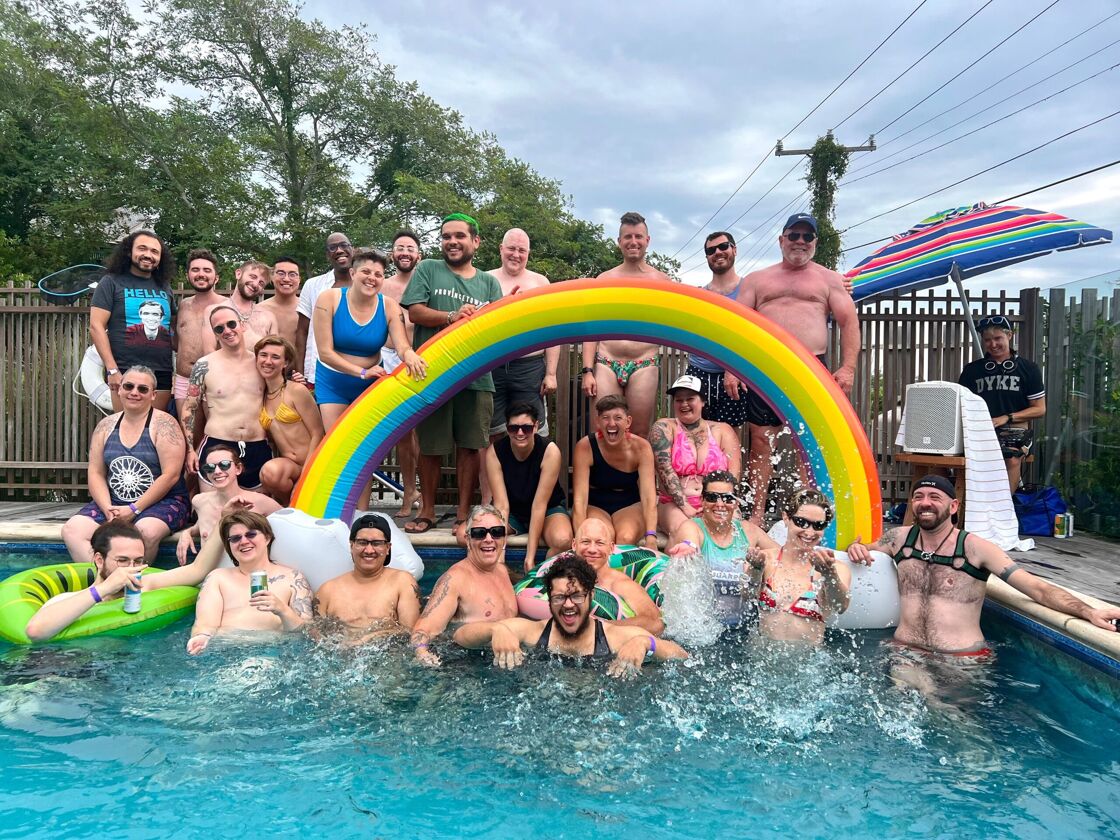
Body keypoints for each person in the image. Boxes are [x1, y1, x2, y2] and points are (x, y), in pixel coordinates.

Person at [847, 475, 1120, 656]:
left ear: (953, 506)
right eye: (918, 496)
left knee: (956, 726)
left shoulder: (977, 549)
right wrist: (854, 548)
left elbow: (1037, 589)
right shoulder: (897, 539)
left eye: (934, 497)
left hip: (961, 660)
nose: (925, 503)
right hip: (905, 652)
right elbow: (861, 549)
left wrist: (1088, 611)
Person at [730, 213, 860, 526]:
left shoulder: (828, 279)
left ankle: (805, 514)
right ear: (782, 240)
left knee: (810, 441)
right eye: (794, 236)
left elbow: (849, 322)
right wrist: (732, 369)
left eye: (807, 237)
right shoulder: (757, 280)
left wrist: (848, 368)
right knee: (760, 439)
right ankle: (757, 514)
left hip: (811, 366)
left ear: (815, 242)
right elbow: (735, 324)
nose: (800, 242)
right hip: (766, 367)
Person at [400, 213, 502, 536]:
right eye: (446, 237)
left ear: (475, 241)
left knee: (471, 447)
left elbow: (500, 327)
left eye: (459, 236)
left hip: (476, 377)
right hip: (433, 374)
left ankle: (462, 515)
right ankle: (427, 510)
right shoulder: (428, 269)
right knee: (430, 446)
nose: (452, 242)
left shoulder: (489, 283)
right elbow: (414, 310)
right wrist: (451, 316)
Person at [454, 554, 687, 677]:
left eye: (576, 596)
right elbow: (461, 636)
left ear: (591, 596)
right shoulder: (534, 632)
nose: (568, 605)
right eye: (559, 598)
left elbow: (681, 655)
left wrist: (647, 642)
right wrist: (495, 629)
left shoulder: (614, 636)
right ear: (549, 597)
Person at [61, 366, 190, 563]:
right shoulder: (105, 426)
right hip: (114, 503)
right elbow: (95, 473)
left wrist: (134, 509)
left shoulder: (165, 425)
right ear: (119, 389)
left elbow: (170, 475)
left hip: (163, 502)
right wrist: (107, 509)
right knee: (72, 530)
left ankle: (136, 587)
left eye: (143, 389)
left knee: (144, 532)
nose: (134, 393)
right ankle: (105, 582)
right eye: (129, 386)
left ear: (153, 395)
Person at [26, 518, 227, 642]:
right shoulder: (70, 600)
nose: (131, 569)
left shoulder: (145, 585)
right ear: (98, 559)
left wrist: (224, 520)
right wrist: (105, 589)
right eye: (122, 561)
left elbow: (198, 570)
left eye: (138, 561)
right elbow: (35, 632)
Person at [581, 211, 674, 439]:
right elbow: (592, 327)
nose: (633, 242)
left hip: (644, 362)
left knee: (639, 432)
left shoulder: (662, 282)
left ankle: (635, 476)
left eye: (639, 237)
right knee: (602, 430)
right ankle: (601, 476)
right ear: (619, 242)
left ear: (647, 240)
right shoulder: (604, 280)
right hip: (606, 362)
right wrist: (587, 371)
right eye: (628, 237)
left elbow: (676, 323)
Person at [312, 247, 425, 430]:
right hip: (333, 381)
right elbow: (325, 353)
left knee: (366, 448)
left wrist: (410, 354)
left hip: (371, 383)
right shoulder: (328, 299)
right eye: (365, 271)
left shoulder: (390, 306)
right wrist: (362, 373)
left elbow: (402, 346)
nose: (371, 278)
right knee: (337, 440)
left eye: (378, 274)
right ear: (352, 273)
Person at [186, 510, 313, 654]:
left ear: (267, 538)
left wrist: (282, 610)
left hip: (273, 652)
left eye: (251, 534)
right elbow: (205, 625)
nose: (244, 541)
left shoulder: (293, 578)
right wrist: (201, 638)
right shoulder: (218, 578)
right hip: (226, 652)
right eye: (235, 538)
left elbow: (307, 634)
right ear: (229, 547)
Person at [409, 505, 518, 665]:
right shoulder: (455, 579)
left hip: (504, 660)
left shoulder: (503, 571)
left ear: (504, 538)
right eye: (479, 533)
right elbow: (422, 630)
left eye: (496, 532)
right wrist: (422, 653)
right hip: (468, 666)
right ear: (467, 540)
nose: (489, 539)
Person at [667, 470, 779, 623]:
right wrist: (688, 547)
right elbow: (690, 541)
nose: (720, 504)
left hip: (744, 628)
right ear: (702, 500)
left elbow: (783, 556)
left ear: (736, 502)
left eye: (727, 498)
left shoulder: (748, 531)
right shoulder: (692, 527)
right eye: (712, 498)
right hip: (705, 630)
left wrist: (761, 564)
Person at [180, 304, 270, 489]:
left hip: (257, 446)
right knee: (214, 511)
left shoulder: (262, 363)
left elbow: (280, 393)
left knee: (255, 515)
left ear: (242, 325)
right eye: (219, 328)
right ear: (215, 333)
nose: (227, 331)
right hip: (217, 445)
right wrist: (190, 450)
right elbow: (189, 408)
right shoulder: (205, 365)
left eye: (231, 324)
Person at [745, 487, 850, 644]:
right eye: (802, 522)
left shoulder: (835, 568)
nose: (809, 532)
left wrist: (830, 574)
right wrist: (756, 570)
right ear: (786, 518)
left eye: (818, 525)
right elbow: (746, 595)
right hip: (760, 659)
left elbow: (841, 606)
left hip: (808, 663)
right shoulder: (764, 559)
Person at [89, 230, 177, 411]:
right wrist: (112, 370)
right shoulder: (111, 282)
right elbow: (96, 326)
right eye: (142, 249)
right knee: (126, 430)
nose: (148, 255)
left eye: (154, 252)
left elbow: (173, 328)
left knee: (154, 430)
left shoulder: (165, 287)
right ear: (129, 252)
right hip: (124, 370)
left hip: (162, 371)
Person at [958, 314, 1046, 493]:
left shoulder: (1029, 369)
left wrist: (1006, 418)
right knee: (944, 458)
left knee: (1011, 458)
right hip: (980, 432)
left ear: (1010, 336)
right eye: (987, 340)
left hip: (1015, 430)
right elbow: (959, 404)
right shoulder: (972, 371)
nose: (993, 344)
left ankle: (1006, 510)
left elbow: (1039, 409)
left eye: (998, 338)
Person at [487, 228, 559, 438]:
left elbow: (553, 330)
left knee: (532, 430)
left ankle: (531, 472)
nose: (516, 255)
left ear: (528, 253)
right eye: (511, 248)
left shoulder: (540, 283)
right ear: (501, 249)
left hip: (530, 368)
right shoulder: (486, 279)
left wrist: (551, 374)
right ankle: (493, 473)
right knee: (492, 433)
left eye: (522, 250)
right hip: (492, 367)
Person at [651, 374, 743, 535]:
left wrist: (718, 504)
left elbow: (733, 476)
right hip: (675, 504)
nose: (684, 404)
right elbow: (664, 470)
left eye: (690, 398)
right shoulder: (664, 427)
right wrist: (685, 507)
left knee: (733, 532)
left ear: (702, 401)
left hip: (716, 501)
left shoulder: (722, 430)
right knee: (687, 533)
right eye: (679, 400)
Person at [485, 401, 571, 570]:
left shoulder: (549, 451)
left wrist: (529, 559)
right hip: (512, 513)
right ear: (507, 428)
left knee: (563, 540)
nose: (520, 433)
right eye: (513, 428)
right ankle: (489, 578)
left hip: (548, 510)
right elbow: (501, 505)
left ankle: (542, 578)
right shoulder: (495, 452)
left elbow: (539, 505)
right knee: (466, 534)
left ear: (536, 426)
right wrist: (501, 555)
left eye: (526, 428)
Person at [542, 518, 664, 634]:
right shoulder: (561, 577)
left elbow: (656, 623)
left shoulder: (621, 584)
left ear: (611, 548)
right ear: (574, 545)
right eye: (586, 542)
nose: (592, 549)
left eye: (599, 543)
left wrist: (600, 627)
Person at [682, 231, 751, 427]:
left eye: (723, 247)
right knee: (694, 433)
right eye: (711, 250)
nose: (718, 252)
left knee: (728, 435)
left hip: (734, 374)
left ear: (734, 249)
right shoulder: (699, 296)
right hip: (699, 371)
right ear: (707, 257)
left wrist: (736, 369)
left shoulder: (749, 290)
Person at [314, 513, 422, 636]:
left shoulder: (402, 582)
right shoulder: (327, 591)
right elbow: (316, 639)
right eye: (362, 542)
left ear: (387, 548)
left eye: (377, 543)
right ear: (352, 545)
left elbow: (410, 634)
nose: (369, 550)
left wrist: (374, 636)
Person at [572, 395, 657, 548]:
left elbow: (649, 497)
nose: (611, 423)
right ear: (597, 422)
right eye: (605, 418)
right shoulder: (585, 447)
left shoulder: (642, 447)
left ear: (628, 421)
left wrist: (651, 537)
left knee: (625, 537)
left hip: (629, 503)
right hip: (596, 503)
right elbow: (580, 499)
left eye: (618, 417)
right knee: (602, 538)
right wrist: (580, 539)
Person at [175, 444, 280, 565]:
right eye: (210, 467)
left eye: (224, 465)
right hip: (208, 575)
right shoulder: (200, 501)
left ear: (238, 469)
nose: (217, 471)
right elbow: (204, 526)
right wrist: (187, 533)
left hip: (245, 575)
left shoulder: (260, 502)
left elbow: (288, 526)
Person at [255, 336, 324, 504]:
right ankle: (290, 505)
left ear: (285, 363)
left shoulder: (296, 390)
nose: (268, 361)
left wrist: (307, 475)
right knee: (269, 472)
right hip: (289, 467)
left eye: (275, 357)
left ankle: (298, 502)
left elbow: (318, 433)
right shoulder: (259, 395)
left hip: (312, 463)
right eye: (263, 355)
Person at [383, 230, 422, 518]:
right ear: (392, 255)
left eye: (410, 247)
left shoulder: (426, 282)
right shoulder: (382, 286)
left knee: (422, 432)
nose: (405, 252)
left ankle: (417, 491)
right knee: (400, 432)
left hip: (420, 359)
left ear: (418, 254)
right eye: (400, 248)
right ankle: (409, 491)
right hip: (386, 359)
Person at [296, 232, 353, 383]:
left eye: (344, 245)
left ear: (352, 249)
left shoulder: (367, 285)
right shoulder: (313, 285)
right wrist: (300, 372)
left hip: (357, 371)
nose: (339, 250)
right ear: (328, 255)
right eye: (333, 247)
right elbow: (302, 331)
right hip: (319, 372)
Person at [174, 248, 227, 404]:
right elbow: (177, 341)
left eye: (207, 270)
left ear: (216, 278)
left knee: (214, 428)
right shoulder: (183, 306)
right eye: (195, 269)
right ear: (188, 275)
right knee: (187, 428)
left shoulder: (227, 306)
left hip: (218, 380)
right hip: (185, 380)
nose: (201, 274)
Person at [206, 259, 278, 351]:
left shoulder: (269, 317)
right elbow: (209, 356)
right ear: (238, 274)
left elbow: (274, 353)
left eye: (261, 283)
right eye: (253, 277)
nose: (255, 284)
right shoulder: (213, 312)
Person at [260, 256, 303, 344]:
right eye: (281, 273)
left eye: (292, 274)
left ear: (299, 280)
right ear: (272, 277)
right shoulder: (260, 310)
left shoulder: (307, 309)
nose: (286, 279)